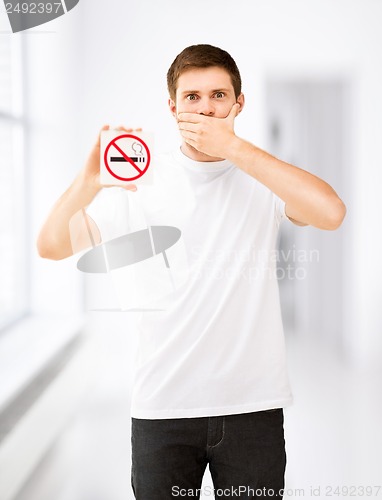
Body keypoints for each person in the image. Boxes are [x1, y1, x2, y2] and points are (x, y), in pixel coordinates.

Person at [37, 44, 346, 499]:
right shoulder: (140, 179)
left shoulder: (263, 178)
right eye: (192, 97)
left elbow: (331, 213)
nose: (205, 107)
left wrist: (234, 148)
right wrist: (87, 180)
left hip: (252, 409)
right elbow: (51, 246)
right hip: (162, 409)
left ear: (239, 104)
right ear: (172, 106)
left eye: (219, 96)